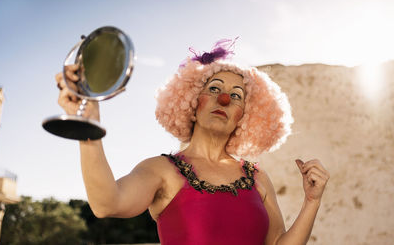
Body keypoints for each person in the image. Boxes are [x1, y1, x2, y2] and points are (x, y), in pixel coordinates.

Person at [55, 38, 330, 245]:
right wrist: (89, 128)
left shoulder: (258, 177)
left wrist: (312, 202)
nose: (224, 99)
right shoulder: (160, 170)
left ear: (243, 117)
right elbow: (107, 203)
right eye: (214, 89)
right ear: (192, 103)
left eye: (236, 95)